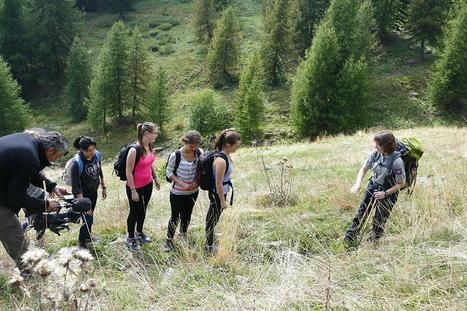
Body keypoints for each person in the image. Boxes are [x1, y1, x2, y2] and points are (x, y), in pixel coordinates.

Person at [0, 130, 69, 270]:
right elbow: (17, 196)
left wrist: (52, 187)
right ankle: (32, 277)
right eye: (57, 157)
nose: (55, 161)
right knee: (13, 233)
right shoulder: (29, 157)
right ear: (50, 150)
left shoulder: (27, 142)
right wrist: (46, 205)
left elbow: (29, 172)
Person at [344, 131, 406, 245]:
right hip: (373, 186)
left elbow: (401, 183)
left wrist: (385, 193)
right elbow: (364, 168)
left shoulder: (397, 162)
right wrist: (358, 183)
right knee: (362, 212)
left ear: (386, 146)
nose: (375, 146)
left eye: (378, 144)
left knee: (380, 218)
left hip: (388, 192)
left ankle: (374, 241)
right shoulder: (375, 153)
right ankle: (349, 238)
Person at [162, 131, 203, 251]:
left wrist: (197, 182)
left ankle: (183, 234)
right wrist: (183, 184)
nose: (193, 148)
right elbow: (169, 173)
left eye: (196, 145)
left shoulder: (200, 153)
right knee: (175, 216)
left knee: (187, 214)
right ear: (184, 143)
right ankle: (169, 240)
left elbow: (201, 171)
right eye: (191, 146)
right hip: (177, 193)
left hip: (193, 192)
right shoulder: (176, 155)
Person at [125, 122, 161, 252]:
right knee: (134, 212)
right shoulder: (134, 150)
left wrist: (155, 177)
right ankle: (130, 238)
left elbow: (150, 164)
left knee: (143, 209)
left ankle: (139, 233)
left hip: (148, 184)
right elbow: (128, 172)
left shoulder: (150, 146)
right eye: (155, 133)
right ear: (147, 133)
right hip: (135, 186)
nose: (156, 135)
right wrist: (133, 190)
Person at [205, 129, 241, 252]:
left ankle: (210, 239)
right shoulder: (221, 160)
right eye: (236, 146)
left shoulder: (226, 156)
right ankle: (209, 245)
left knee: (215, 216)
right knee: (212, 217)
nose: (237, 148)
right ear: (228, 145)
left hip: (222, 191)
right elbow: (218, 182)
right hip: (217, 193)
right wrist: (222, 201)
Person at [70, 136, 106, 250]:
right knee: (88, 218)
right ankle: (81, 243)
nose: (92, 152)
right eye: (89, 151)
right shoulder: (76, 164)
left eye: (93, 149)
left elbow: (99, 170)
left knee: (89, 216)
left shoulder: (97, 155)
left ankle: (88, 237)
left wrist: (103, 186)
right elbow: (75, 187)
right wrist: (83, 202)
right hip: (82, 195)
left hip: (93, 192)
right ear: (82, 150)